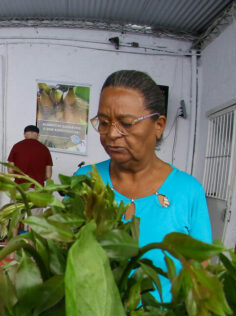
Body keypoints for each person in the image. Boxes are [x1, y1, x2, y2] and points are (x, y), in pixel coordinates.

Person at [76, 69, 211, 302]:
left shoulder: (188, 191)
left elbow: (200, 270)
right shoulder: (86, 179)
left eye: (126, 123)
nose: (111, 134)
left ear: (158, 125)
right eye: (104, 122)